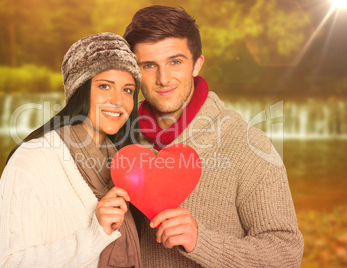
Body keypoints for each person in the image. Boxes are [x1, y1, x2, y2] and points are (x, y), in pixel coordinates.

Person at [123, 5, 304, 267]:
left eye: (175, 62)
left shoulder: (247, 144)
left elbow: (286, 254)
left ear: (197, 64)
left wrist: (201, 242)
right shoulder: (120, 142)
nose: (163, 79)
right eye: (149, 65)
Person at [0, 33, 142, 267]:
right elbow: (5, 263)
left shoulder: (123, 166)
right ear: (79, 91)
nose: (118, 101)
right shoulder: (32, 159)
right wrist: (94, 235)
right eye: (104, 86)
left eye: (128, 90)